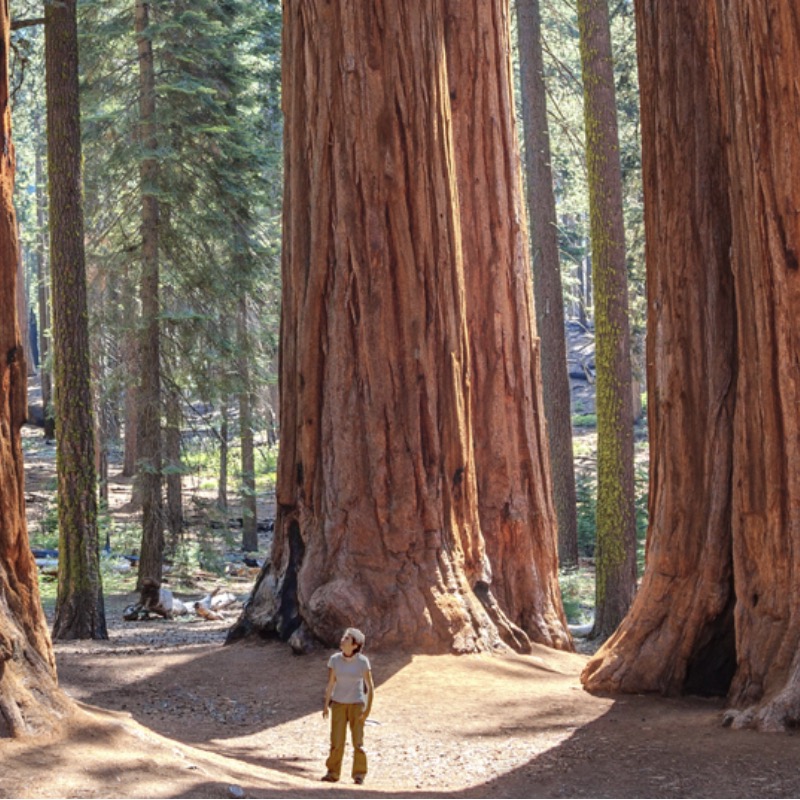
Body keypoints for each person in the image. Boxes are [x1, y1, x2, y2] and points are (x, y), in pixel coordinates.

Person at [321, 627, 375, 785]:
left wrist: (367, 711)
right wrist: (326, 705)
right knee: (336, 741)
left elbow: (370, 687)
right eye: (343, 637)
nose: (342, 640)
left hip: (356, 705)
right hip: (338, 704)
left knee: (358, 742)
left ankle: (359, 774)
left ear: (355, 645)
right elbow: (331, 683)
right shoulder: (334, 660)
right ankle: (333, 773)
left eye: (346, 639)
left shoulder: (362, 662)